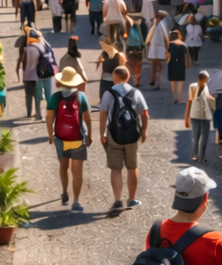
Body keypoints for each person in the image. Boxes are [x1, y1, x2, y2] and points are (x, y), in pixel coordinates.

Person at [99, 65, 148, 210]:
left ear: (114, 78)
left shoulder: (108, 93)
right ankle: (132, 199)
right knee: (132, 167)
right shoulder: (136, 92)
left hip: (114, 135)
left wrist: (102, 134)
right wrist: (144, 131)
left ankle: (117, 200)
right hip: (132, 135)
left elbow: (103, 114)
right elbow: (145, 113)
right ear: (128, 77)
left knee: (116, 169)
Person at [47, 67, 92, 210]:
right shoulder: (81, 96)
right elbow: (87, 118)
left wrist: (50, 135)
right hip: (78, 138)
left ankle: (64, 191)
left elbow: (49, 118)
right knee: (77, 171)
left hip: (60, 138)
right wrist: (90, 134)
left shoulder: (55, 97)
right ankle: (76, 201)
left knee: (63, 166)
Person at [184, 71, 216, 165]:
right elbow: (207, 98)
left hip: (194, 114)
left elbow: (189, 101)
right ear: (205, 79)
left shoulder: (192, 86)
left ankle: (196, 155)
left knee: (196, 135)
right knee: (204, 136)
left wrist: (186, 117)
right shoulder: (206, 86)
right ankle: (201, 158)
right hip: (204, 115)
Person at [145, 10, 172, 87]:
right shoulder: (156, 25)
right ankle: (153, 80)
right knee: (155, 64)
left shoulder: (161, 24)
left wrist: (167, 48)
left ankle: (157, 82)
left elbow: (166, 38)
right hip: (156, 47)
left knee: (157, 65)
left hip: (158, 47)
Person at [167, 29, 189, 104]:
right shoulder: (183, 45)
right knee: (180, 83)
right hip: (181, 64)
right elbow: (187, 55)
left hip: (171, 64)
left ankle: (174, 98)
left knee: (173, 82)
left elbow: (167, 55)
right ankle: (180, 99)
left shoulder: (169, 45)